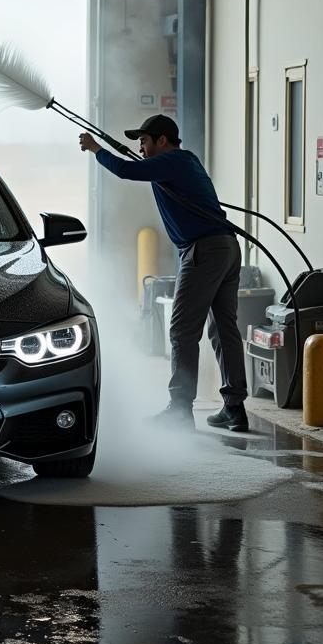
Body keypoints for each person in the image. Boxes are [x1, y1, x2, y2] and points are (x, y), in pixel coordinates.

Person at [79, 114, 249, 432]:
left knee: (182, 330)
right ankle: (234, 408)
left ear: (162, 140)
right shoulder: (181, 162)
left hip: (204, 250)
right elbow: (138, 167)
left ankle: (180, 409)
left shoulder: (172, 160)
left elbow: (127, 170)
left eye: (144, 142)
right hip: (224, 247)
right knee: (223, 329)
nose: (141, 149)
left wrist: (95, 148)